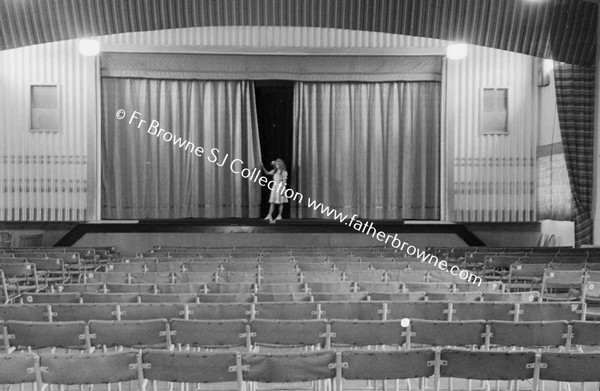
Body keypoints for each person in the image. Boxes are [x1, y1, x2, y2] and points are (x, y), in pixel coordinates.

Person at [261, 158, 288, 223]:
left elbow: (284, 182)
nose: (277, 165)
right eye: (276, 164)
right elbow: (267, 173)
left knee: (280, 202)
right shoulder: (274, 171)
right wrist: (262, 166)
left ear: (281, 165)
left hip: (280, 187)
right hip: (275, 187)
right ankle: (269, 215)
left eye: (279, 164)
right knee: (272, 202)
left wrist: (282, 190)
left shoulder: (284, 172)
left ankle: (279, 215)